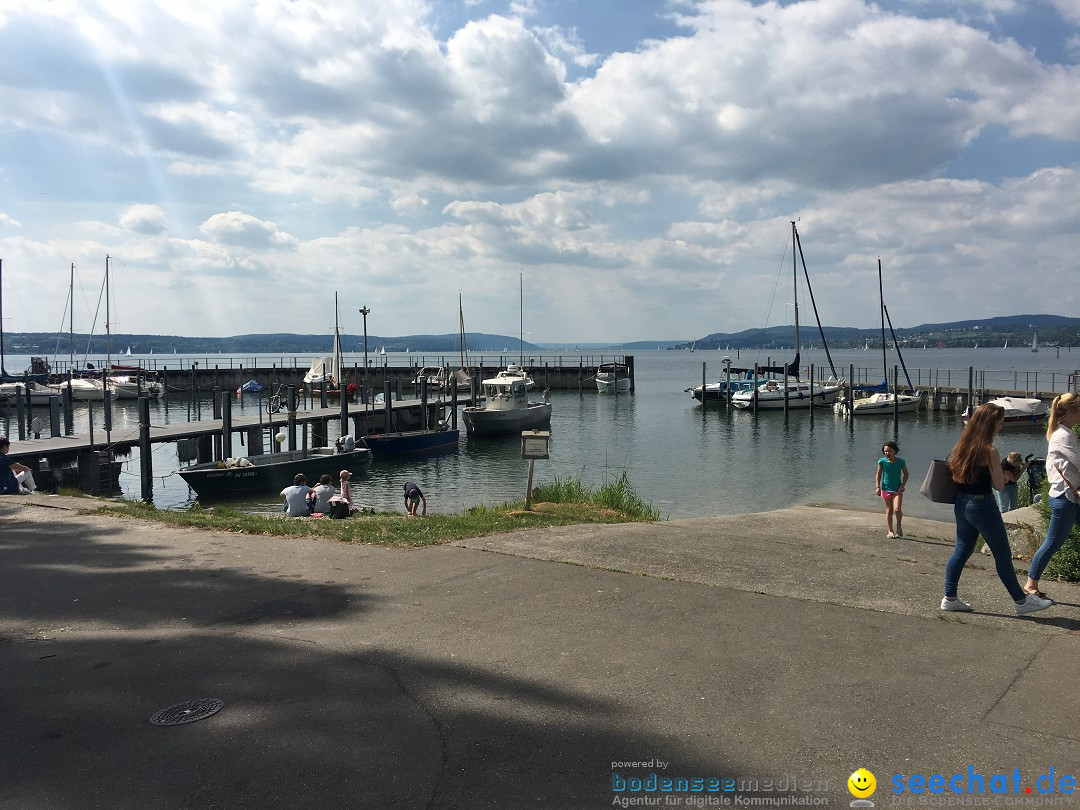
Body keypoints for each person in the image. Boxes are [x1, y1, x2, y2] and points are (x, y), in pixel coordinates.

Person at [941, 402, 1052, 616]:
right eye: (1000, 423)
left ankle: (950, 597)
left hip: (962, 503)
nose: (1001, 427)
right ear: (990, 425)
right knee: (1002, 554)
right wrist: (1002, 472)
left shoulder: (961, 446)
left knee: (961, 550)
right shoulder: (989, 450)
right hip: (982, 505)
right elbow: (999, 485)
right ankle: (1021, 601)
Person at [1024, 393, 1080, 600]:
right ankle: (1030, 586)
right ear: (1073, 411)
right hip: (1064, 498)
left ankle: (1031, 584)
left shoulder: (1065, 431)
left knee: (1053, 542)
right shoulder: (1063, 435)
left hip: (1069, 497)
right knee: (1052, 543)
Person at [874, 440, 908, 538]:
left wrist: (902, 486)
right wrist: (877, 487)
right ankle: (890, 530)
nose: (887, 453)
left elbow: (906, 474)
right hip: (885, 488)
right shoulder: (882, 461)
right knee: (889, 510)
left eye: (890, 451)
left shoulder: (901, 462)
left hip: (898, 489)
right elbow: (878, 474)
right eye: (886, 451)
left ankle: (899, 528)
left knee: (897, 509)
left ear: (895, 451)